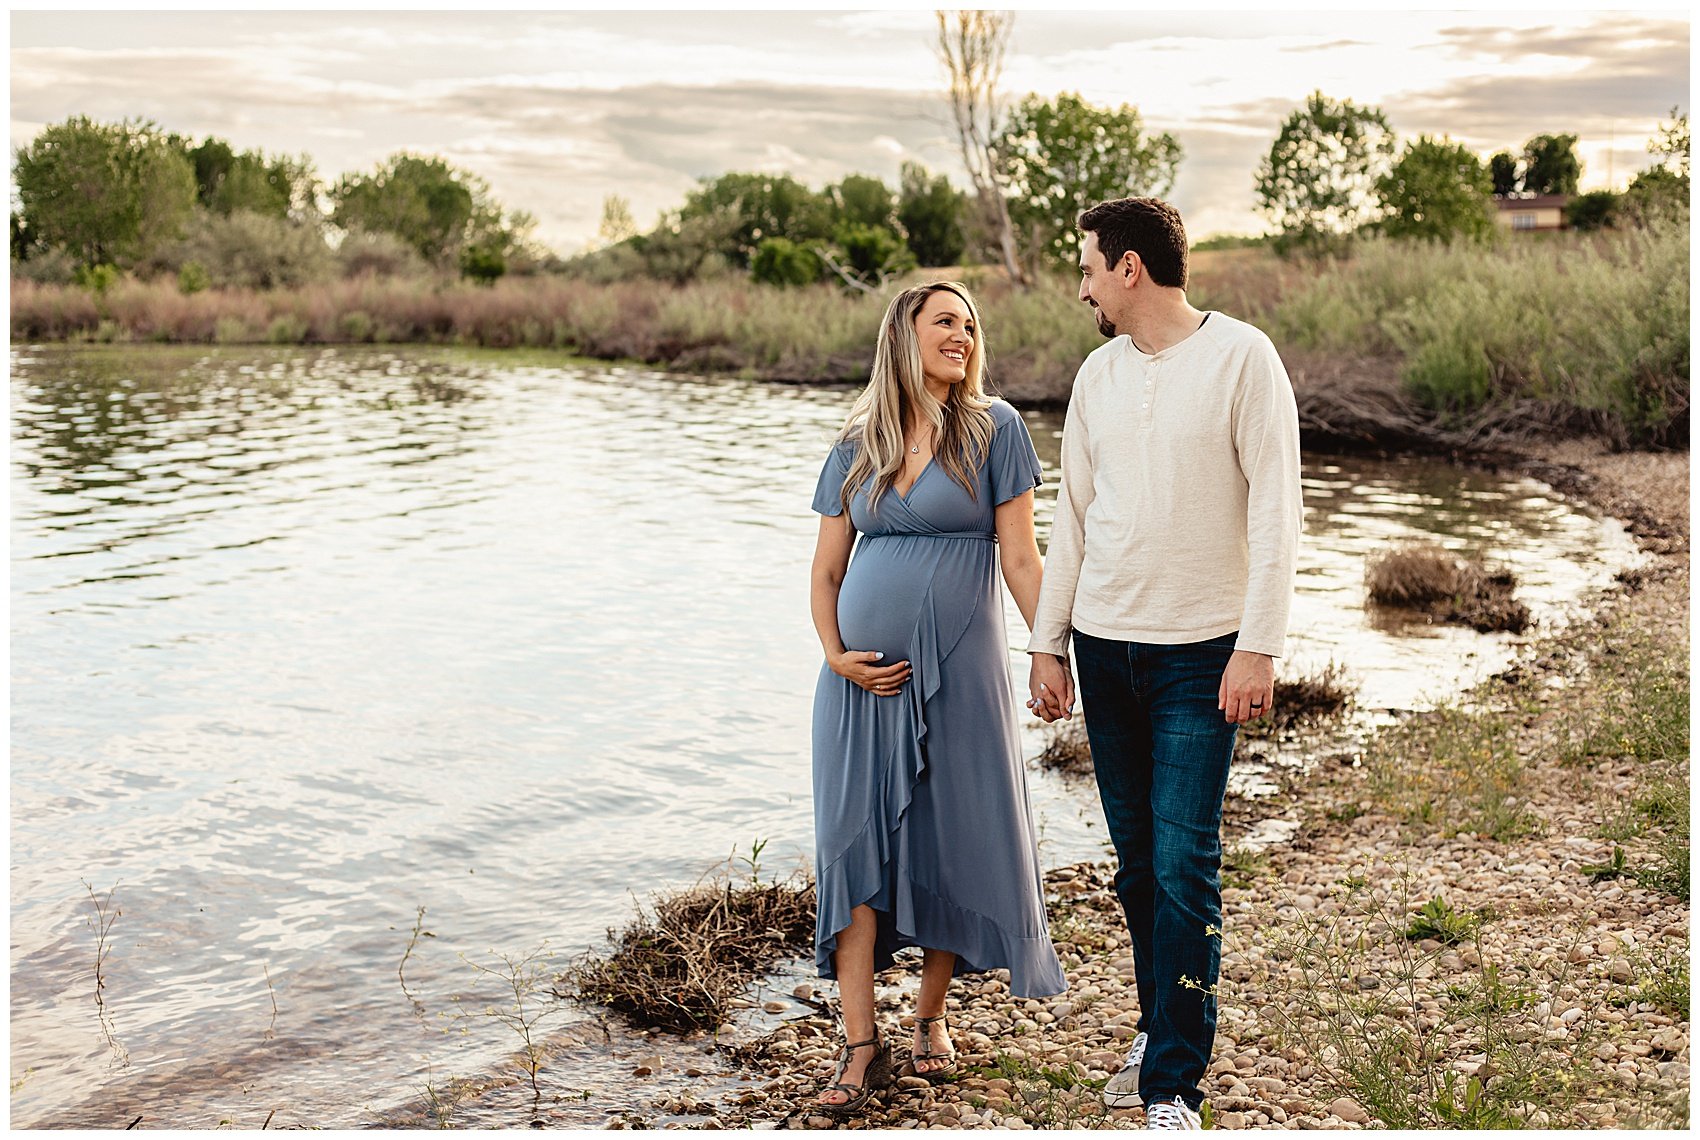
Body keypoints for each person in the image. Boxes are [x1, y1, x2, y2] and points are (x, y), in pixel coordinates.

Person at [1025, 198, 1302, 1131]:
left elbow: (1277, 510)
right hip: (1104, 650)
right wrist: (1047, 641)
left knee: (1186, 861)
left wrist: (1257, 643)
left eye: (1090, 267)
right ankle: (1158, 1020)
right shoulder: (1096, 376)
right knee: (1138, 864)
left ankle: (1174, 1084)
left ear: (1131, 269)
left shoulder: (1243, 358)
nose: (1083, 286)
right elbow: (1070, 517)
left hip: (1201, 656)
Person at [807, 281, 1067, 1115]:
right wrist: (835, 656)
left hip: (960, 674)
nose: (962, 334)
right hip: (859, 686)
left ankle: (927, 1017)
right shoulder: (857, 444)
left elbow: (1023, 560)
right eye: (944, 321)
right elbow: (826, 571)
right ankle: (858, 1046)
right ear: (904, 334)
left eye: (969, 324)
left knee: (948, 837)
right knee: (852, 849)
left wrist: (1051, 650)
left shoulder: (995, 430)